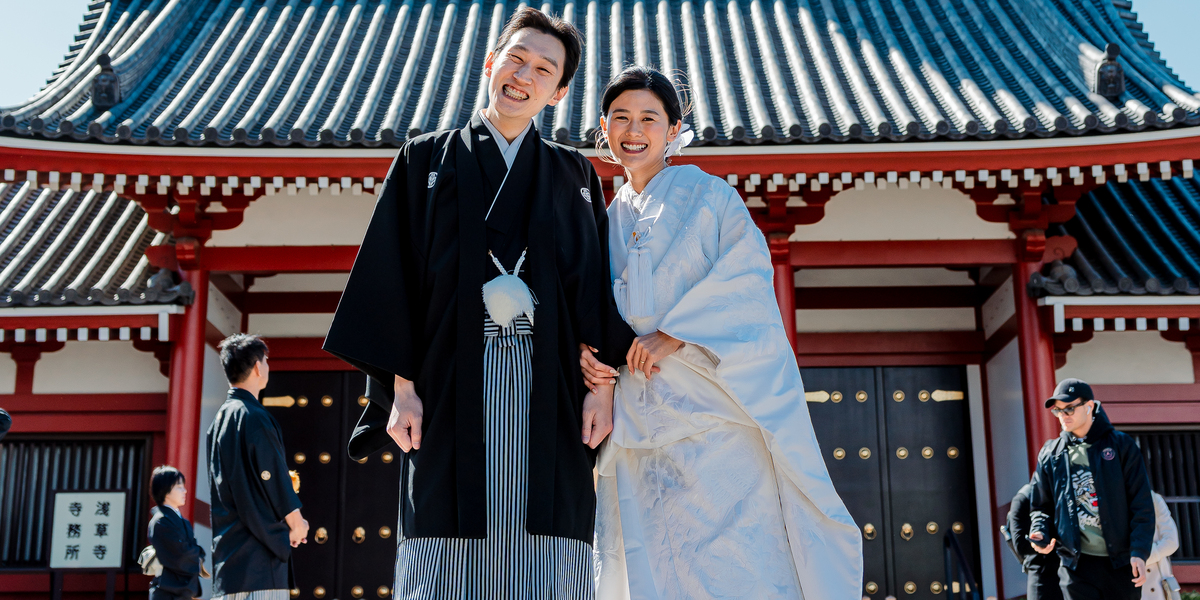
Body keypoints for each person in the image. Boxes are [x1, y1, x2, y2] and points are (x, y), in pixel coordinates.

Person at [323, 8, 633, 598]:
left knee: (549, 546)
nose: (524, 75)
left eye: (544, 69)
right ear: (491, 61)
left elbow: (594, 287)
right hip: (444, 387)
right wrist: (402, 389)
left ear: (559, 91)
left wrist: (601, 388)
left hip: (552, 391)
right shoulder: (423, 161)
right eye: (516, 59)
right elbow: (393, 284)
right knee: (445, 543)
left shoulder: (573, 175)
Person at [582, 66, 862, 599]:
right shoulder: (607, 215)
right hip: (640, 417)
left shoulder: (709, 197)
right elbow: (589, 301)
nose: (634, 130)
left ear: (673, 129)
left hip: (715, 412)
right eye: (620, 118)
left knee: (733, 559)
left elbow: (747, 276)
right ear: (604, 127)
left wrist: (677, 333)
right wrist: (591, 357)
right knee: (651, 562)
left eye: (649, 118)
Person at [1029, 378, 1155, 600]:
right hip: (1076, 565)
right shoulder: (1051, 454)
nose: (1063, 415)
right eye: (1058, 410)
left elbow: (1141, 503)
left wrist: (1140, 552)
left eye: (1069, 408)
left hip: (1121, 562)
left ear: (1089, 407)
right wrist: (1040, 530)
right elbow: (1041, 504)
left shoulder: (1121, 446)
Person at [206, 334, 309, 600]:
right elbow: (274, 479)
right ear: (257, 367)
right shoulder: (254, 417)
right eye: (265, 360)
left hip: (228, 561)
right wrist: (296, 523)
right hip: (259, 561)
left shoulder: (218, 422)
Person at [147, 465, 206, 600]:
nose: (184, 491)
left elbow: (191, 551)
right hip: (168, 592)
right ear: (165, 490)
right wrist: (198, 555)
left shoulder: (180, 521)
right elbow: (180, 555)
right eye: (179, 487)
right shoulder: (161, 521)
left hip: (182, 592)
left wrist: (196, 554)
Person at [1007, 480, 1064, 600]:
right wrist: (1045, 540)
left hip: (1069, 570)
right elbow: (1020, 545)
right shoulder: (1023, 498)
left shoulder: (1061, 493)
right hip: (1042, 574)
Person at [1142, 491, 1181, 600]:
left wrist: (1141, 557)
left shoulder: (1153, 498)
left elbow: (1171, 542)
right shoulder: (1109, 499)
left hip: (1157, 581)